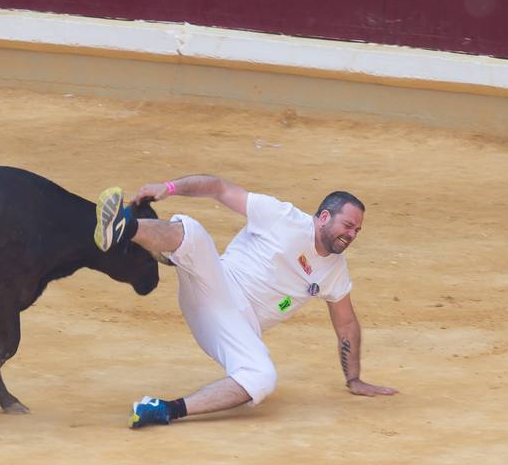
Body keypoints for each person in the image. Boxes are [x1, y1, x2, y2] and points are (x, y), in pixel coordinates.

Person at [91, 179, 397, 428]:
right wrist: (169, 188)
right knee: (195, 233)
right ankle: (124, 227)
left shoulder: (335, 272)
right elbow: (219, 188)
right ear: (325, 217)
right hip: (217, 283)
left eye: (357, 230)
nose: (352, 234)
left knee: (262, 378)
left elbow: (346, 324)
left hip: (236, 328)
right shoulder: (282, 217)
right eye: (348, 225)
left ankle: (163, 410)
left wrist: (353, 378)